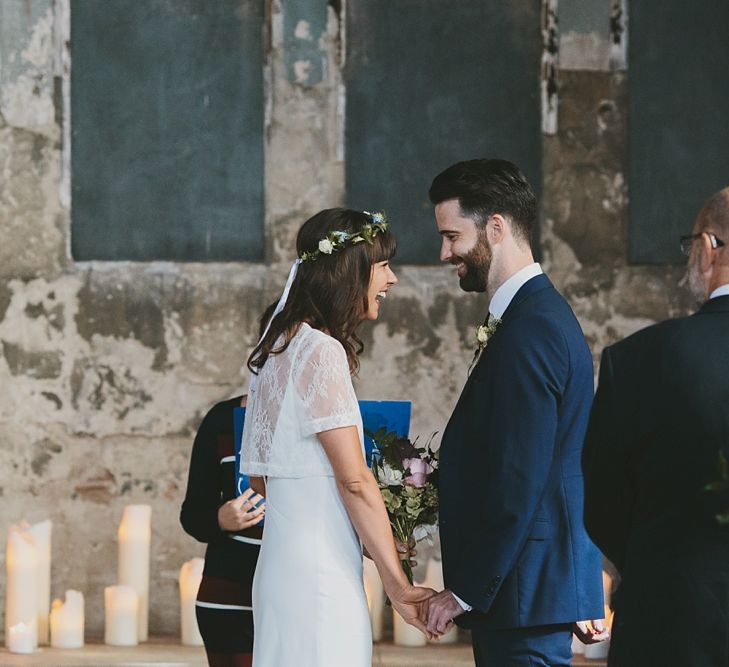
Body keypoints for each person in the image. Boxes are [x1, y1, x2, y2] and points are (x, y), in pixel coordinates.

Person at [425, 159, 607, 666]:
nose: (444, 253)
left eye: (452, 235)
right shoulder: (531, 317)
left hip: (524, 592)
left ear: (496, 226)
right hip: (530, 590)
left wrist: (463, 591)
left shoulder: (532, 328)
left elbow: (519, 475)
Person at [239, 208, 435, 667]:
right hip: (320, 578)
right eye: (384, 266)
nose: (392, 280)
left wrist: (370, 539)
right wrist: (398, 584)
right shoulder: (320, 351)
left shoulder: (279, 347)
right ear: (351, 271)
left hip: (279, 569)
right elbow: (354, 481)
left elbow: (261, 480)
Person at [583, 187, 729, 666]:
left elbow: (602, 501)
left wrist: (659, 560)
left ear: (708, 247)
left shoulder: (637, 360)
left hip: (668, 622)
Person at [180, 394, 266, 667]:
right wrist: (220, 518)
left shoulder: (330, 416)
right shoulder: (222, 419)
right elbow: (192, 515)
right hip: (229, 597)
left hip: (299, 594)